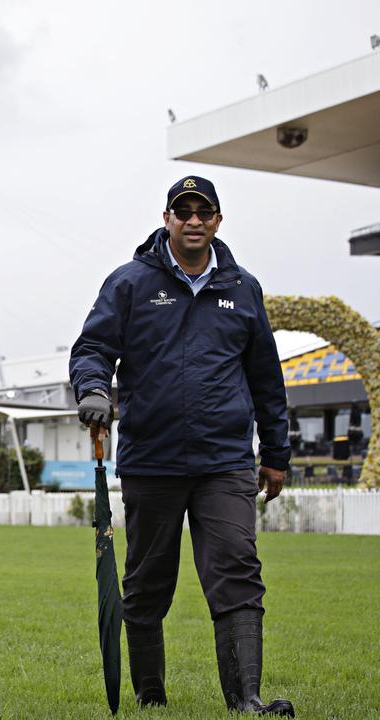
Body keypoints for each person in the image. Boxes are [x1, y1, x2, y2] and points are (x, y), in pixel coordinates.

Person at [70, 176, 294, 716]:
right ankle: (151, 695)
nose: (193, 220)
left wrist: (277, 454)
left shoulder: (242, 289)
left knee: (238, 569)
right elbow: (93, 348)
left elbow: (266, 375)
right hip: (152, 460)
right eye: (183, 210)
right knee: (147, 583)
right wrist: (95, 390)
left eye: (204, 211)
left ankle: (247, 700)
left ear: (218, 220)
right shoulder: (130, 283)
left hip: (225, 462)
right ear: (167, 218)